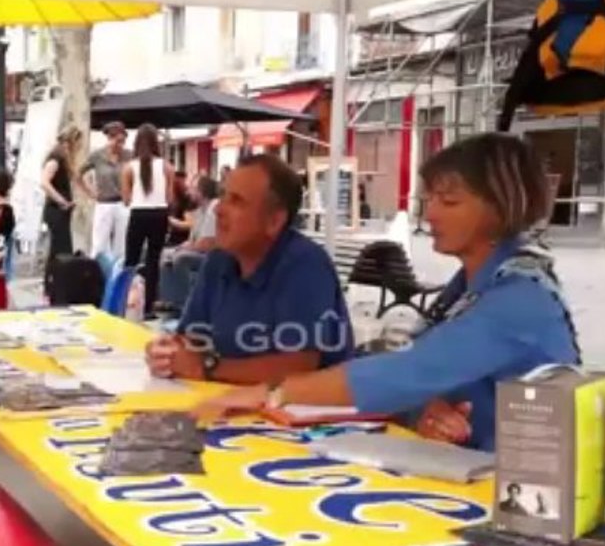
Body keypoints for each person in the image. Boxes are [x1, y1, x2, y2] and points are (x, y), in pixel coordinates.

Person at [196, 134, 580, 452]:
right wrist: (424, 410)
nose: (429, 214)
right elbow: (417, 377)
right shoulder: (470, 285)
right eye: (429, 198)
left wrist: (272, 392)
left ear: (501, 209)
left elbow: (407, 371)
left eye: (449, 201)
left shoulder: (519, 299)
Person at [147, 154, 351, 385]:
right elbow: (190, 339)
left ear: (274, 222)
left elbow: (298, 367)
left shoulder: (305, 265)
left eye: (236, 201)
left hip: (310, 413)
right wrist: (167, 354)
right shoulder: (219, 261)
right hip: (236, 406)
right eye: (223, 196)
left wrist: (207, 367)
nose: (219, 210)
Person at [122, 123, 175, 311]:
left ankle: (127, 299)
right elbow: (170, 198)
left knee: (131, 259)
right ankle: (149, 305)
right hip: (159, 214)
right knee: (153, 260)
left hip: (138, 214)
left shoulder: (129, 168)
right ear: (156, 143)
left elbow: (126, 200)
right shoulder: (167, 167)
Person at [156, 174, 219, 316]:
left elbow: (208, 244)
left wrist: (187, 247)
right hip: (200, 250)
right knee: (165, 254)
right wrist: (183, 246)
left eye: (192, 188)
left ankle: (184, 304)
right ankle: (171, 301)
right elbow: (193, 239)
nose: (188, 191)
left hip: (214, 255)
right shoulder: (199, 211)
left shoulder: (214, 208)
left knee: (181, 258)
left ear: (201, 191)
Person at [79, 121, 132, 262]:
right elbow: (78, 174)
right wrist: (90, 192)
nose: (120, 145)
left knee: (121, 243)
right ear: (109, 138)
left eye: (123, 141)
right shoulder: (97, 156)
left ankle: (118, 274)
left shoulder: (129, 155)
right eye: (118, 141)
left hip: (123, 203)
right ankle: (97, 272)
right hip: (104, 202)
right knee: (100, 243)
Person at [41, 126, 81, 262]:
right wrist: (61, 201)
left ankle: (58, 277)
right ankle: (55, 277)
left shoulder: (63, 161)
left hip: (61, 210)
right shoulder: (55, 160)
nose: (79, 146)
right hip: (55, 210)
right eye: (77, 142)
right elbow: (45, 183)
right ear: (70, 142)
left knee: (61, 246)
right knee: (60, 247)